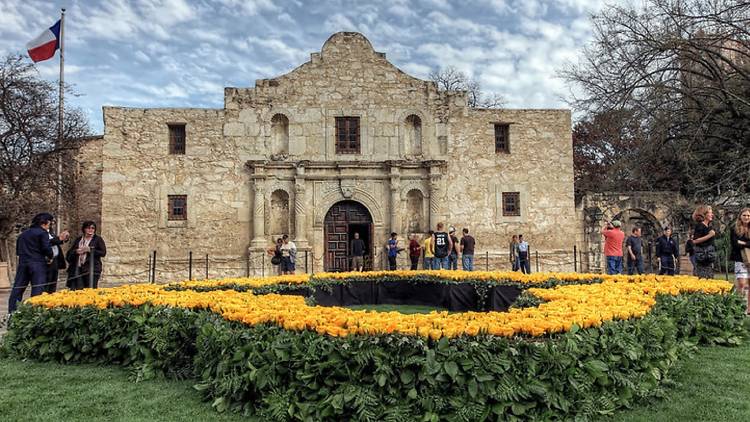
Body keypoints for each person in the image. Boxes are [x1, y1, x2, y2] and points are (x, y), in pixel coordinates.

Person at [8, 213, 54, 313]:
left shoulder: (23, 234)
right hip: (37, 264)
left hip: (23, 263)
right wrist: (50, 256)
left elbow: (18, 250)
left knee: (18, 288)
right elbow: (46, 248)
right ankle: (34, 313)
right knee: (37, 289)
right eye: (49, 224)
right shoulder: (43, 233)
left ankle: (12, 312)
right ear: (46, 223)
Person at [66, 221, 107, 290]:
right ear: (84, 229)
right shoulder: (79, 240)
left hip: (92, 269)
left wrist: (90, 250)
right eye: (88, 228)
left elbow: (103, 253)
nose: (90, 230)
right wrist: (76, 251)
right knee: (78, 290)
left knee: (90, 289)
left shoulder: (97, 239)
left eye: (92, 228)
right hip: (78, 268)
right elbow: (69, 253)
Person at [729, 208, 750, 314]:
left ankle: (748, 309)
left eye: (748, 216)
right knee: (742, 283)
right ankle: (739, 307)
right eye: (744, 215)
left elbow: (740, 243)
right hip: (740, 259)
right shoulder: (734, 229)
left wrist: (743, 243)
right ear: (740, 217)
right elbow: (735, 244)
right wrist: (746, 243)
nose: (746, 217)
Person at [45, 219, 70, 294]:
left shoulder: (50, 231)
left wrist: (63, 239)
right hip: (47, 260)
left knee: (53, 283)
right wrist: (60, 238)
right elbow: (48, 243)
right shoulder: (41, 233)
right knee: (47, 283)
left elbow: (54, 242)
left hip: (55, 260)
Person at [691, 205, 716, 279]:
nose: (712, 214)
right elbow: (695, 241)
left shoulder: (708, 226)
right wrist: (710, 235)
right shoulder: (700, 226)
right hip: (702, 258)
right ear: (704, 214)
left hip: (708, 258)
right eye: (710, 213)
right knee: (703, 279)